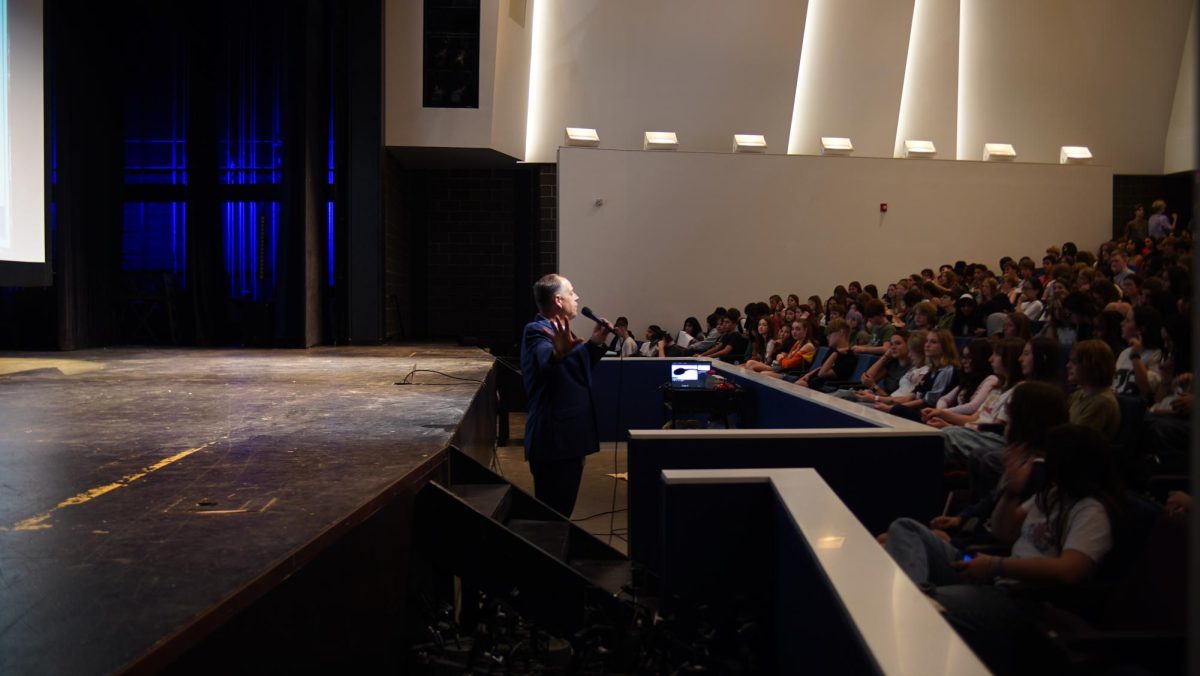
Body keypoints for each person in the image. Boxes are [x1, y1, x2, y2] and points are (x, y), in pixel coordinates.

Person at [520, 274, 611, 516]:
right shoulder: (537, 331)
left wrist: (594, 344)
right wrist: (556, 355)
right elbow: (545, 360)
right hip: (554, 443)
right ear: (558, 300)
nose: (577, 296)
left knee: (561, 514)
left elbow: (570, 373)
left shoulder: (561, 335)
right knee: (553, 516)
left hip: (567, 441)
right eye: (572, 292)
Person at [1065, 339, 1120, 437]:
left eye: (1074, 362)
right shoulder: (1078, 394)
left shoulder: (1102, 402)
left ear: (1091, 366)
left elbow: (1075, 439)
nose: (1068, 365)